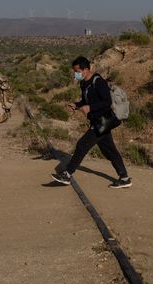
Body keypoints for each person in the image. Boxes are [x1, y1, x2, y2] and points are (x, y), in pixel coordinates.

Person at [51, 56, 132, 188]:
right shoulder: (83, 83)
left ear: (86, 69)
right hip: (96, 121)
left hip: (103, 121)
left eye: (77, 71)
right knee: (109, 150)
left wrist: (90, 108)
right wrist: (77, 105)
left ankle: (67, 174)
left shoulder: (98, 82)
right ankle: (124, 178)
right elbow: (85, 101)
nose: (75, 74)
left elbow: (107, 102)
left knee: (82, 145)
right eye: (74, 71)